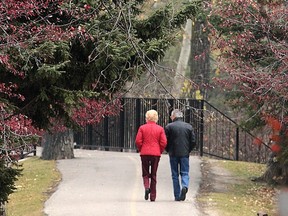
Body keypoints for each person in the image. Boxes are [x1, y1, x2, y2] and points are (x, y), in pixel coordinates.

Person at [135, 109, 167, 202]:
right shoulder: (160, 129)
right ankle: (153, 196)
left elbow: (138, 141)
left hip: (144, 153)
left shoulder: (142, 128)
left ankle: (146, 187)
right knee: (153, 174)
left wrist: (141, 149)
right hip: (155, 154)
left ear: (147, 118)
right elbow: (164, 142)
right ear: (156, 118)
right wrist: (159, 150)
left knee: (145, 173)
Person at [165, 109, 196, 201]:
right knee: (185, 172)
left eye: (171, 116)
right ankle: (185, 186)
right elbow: (193, 141)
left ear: (173, 116)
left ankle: (177, 195)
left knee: (175, 174)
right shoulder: (188, 127)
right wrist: (188, 150)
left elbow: (165, 141)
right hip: (184, 154)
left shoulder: (169, 127)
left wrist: (168, 150)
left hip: (173, 153)